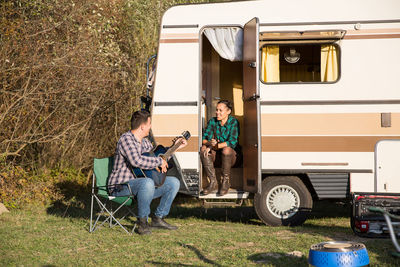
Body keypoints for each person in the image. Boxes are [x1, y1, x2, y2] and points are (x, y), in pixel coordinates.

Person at [108, 110, 187, 235]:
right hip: (120, 187)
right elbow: (137, 161)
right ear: (143, 126)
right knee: (147, 183)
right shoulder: (126, 139)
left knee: (173, 182)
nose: (150, 127)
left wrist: (175, 148)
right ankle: (142, 222)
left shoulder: (145, 142)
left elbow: (158, 158)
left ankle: (158, 218)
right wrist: (158, 162)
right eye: (150, 124)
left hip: (142, 186)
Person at [201, 100, 241, 196]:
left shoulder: (233, 122)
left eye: (220, 110)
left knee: (226, 150)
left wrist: (213, 146)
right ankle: (213, 181)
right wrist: (210, 143)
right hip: (217, 156)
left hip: (231, 157)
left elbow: (232, 142)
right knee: (203, 149)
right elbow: (203, 139)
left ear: (228, 111)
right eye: (216, 110)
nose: (217, 112)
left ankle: (225, 182)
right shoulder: (212, 121)